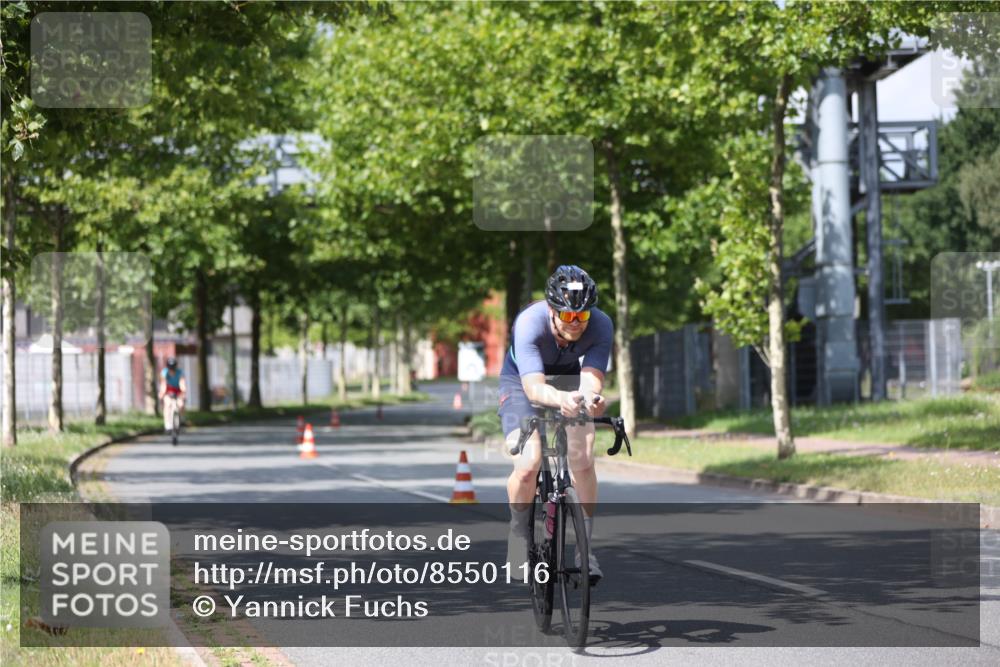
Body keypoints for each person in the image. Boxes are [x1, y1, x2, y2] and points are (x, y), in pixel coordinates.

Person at [499, 265, 612, 582]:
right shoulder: (529, 324)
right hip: (520, 382)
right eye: (567, 317)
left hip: (566, 379)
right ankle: (519, 534)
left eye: (582, 317)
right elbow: (534, 388)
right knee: (528, 460)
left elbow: (591, 380)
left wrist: (590, 399)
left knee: (583, 458)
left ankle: (585, 549)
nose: (576, 324)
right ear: (552, 310)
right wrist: (559, 399)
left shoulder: (601, 325)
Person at [159, 357, 187, 434]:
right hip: (168, 391)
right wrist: (162, 393)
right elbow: (163, 384)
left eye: (173, 367)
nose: (172, 370)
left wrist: (183, 392)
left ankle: (181, 420)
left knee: (181, 404)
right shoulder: (164, 372)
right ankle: (168, 425)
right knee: (167, 405)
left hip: (178, 391)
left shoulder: (180, 372)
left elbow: (182, 383)